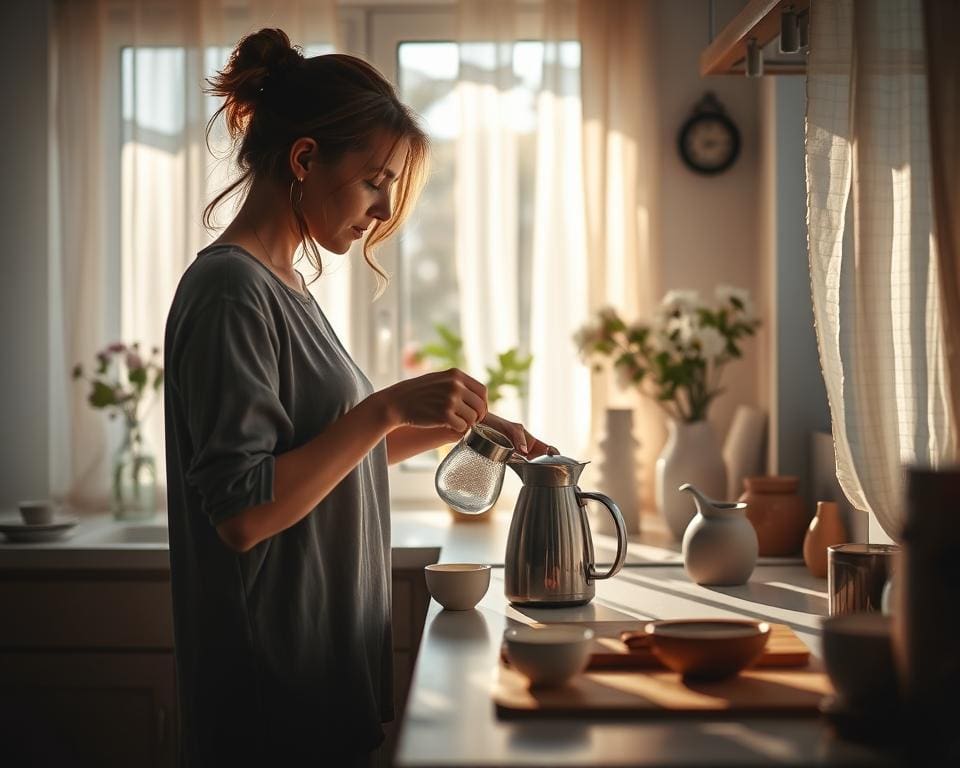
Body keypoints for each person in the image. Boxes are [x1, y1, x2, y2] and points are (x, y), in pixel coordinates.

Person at [163, 28, 553, 767]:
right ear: (305, 158)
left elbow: (323, 458)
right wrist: (386, 407)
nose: (381, 209)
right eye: (375, 180)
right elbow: (245, 514)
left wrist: (443, 427)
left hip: (316, 674)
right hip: (268, 696)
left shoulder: (288, 288)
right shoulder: (229, 291)